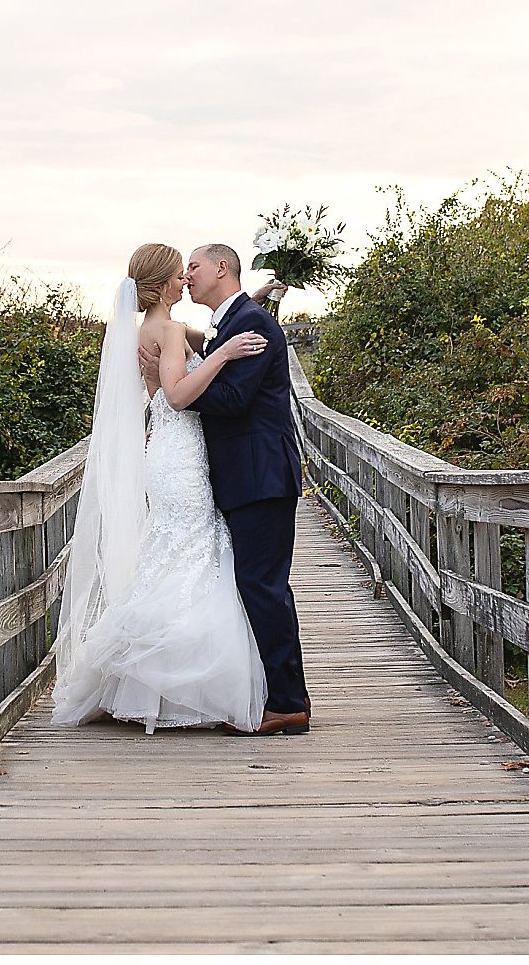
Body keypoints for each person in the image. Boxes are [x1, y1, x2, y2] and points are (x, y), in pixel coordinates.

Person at [50, 243, 273, 733]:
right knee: (192, 550)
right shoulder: (168, 330)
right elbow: (176, 394)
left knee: (175, 550)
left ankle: (148, 676)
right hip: (181, 454)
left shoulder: (151, 329)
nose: (185, 280)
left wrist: (248, 305)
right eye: (179, 274)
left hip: (170, 454)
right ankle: (178, 682)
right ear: (162, 284)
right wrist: (228, 355)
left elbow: (211, 335)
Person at [143, 243, 310, 736]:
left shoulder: (250, 323)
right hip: (244, 476)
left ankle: (286, 703)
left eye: (193, 265)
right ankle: (276, 695)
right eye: (181, 270)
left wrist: (173, 390)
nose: (187, 274)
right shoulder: (233, 320)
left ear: (221, 268)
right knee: (256, 585)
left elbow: (235, 398)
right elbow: (211, 350)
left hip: (260, 476)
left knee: (262, 586)